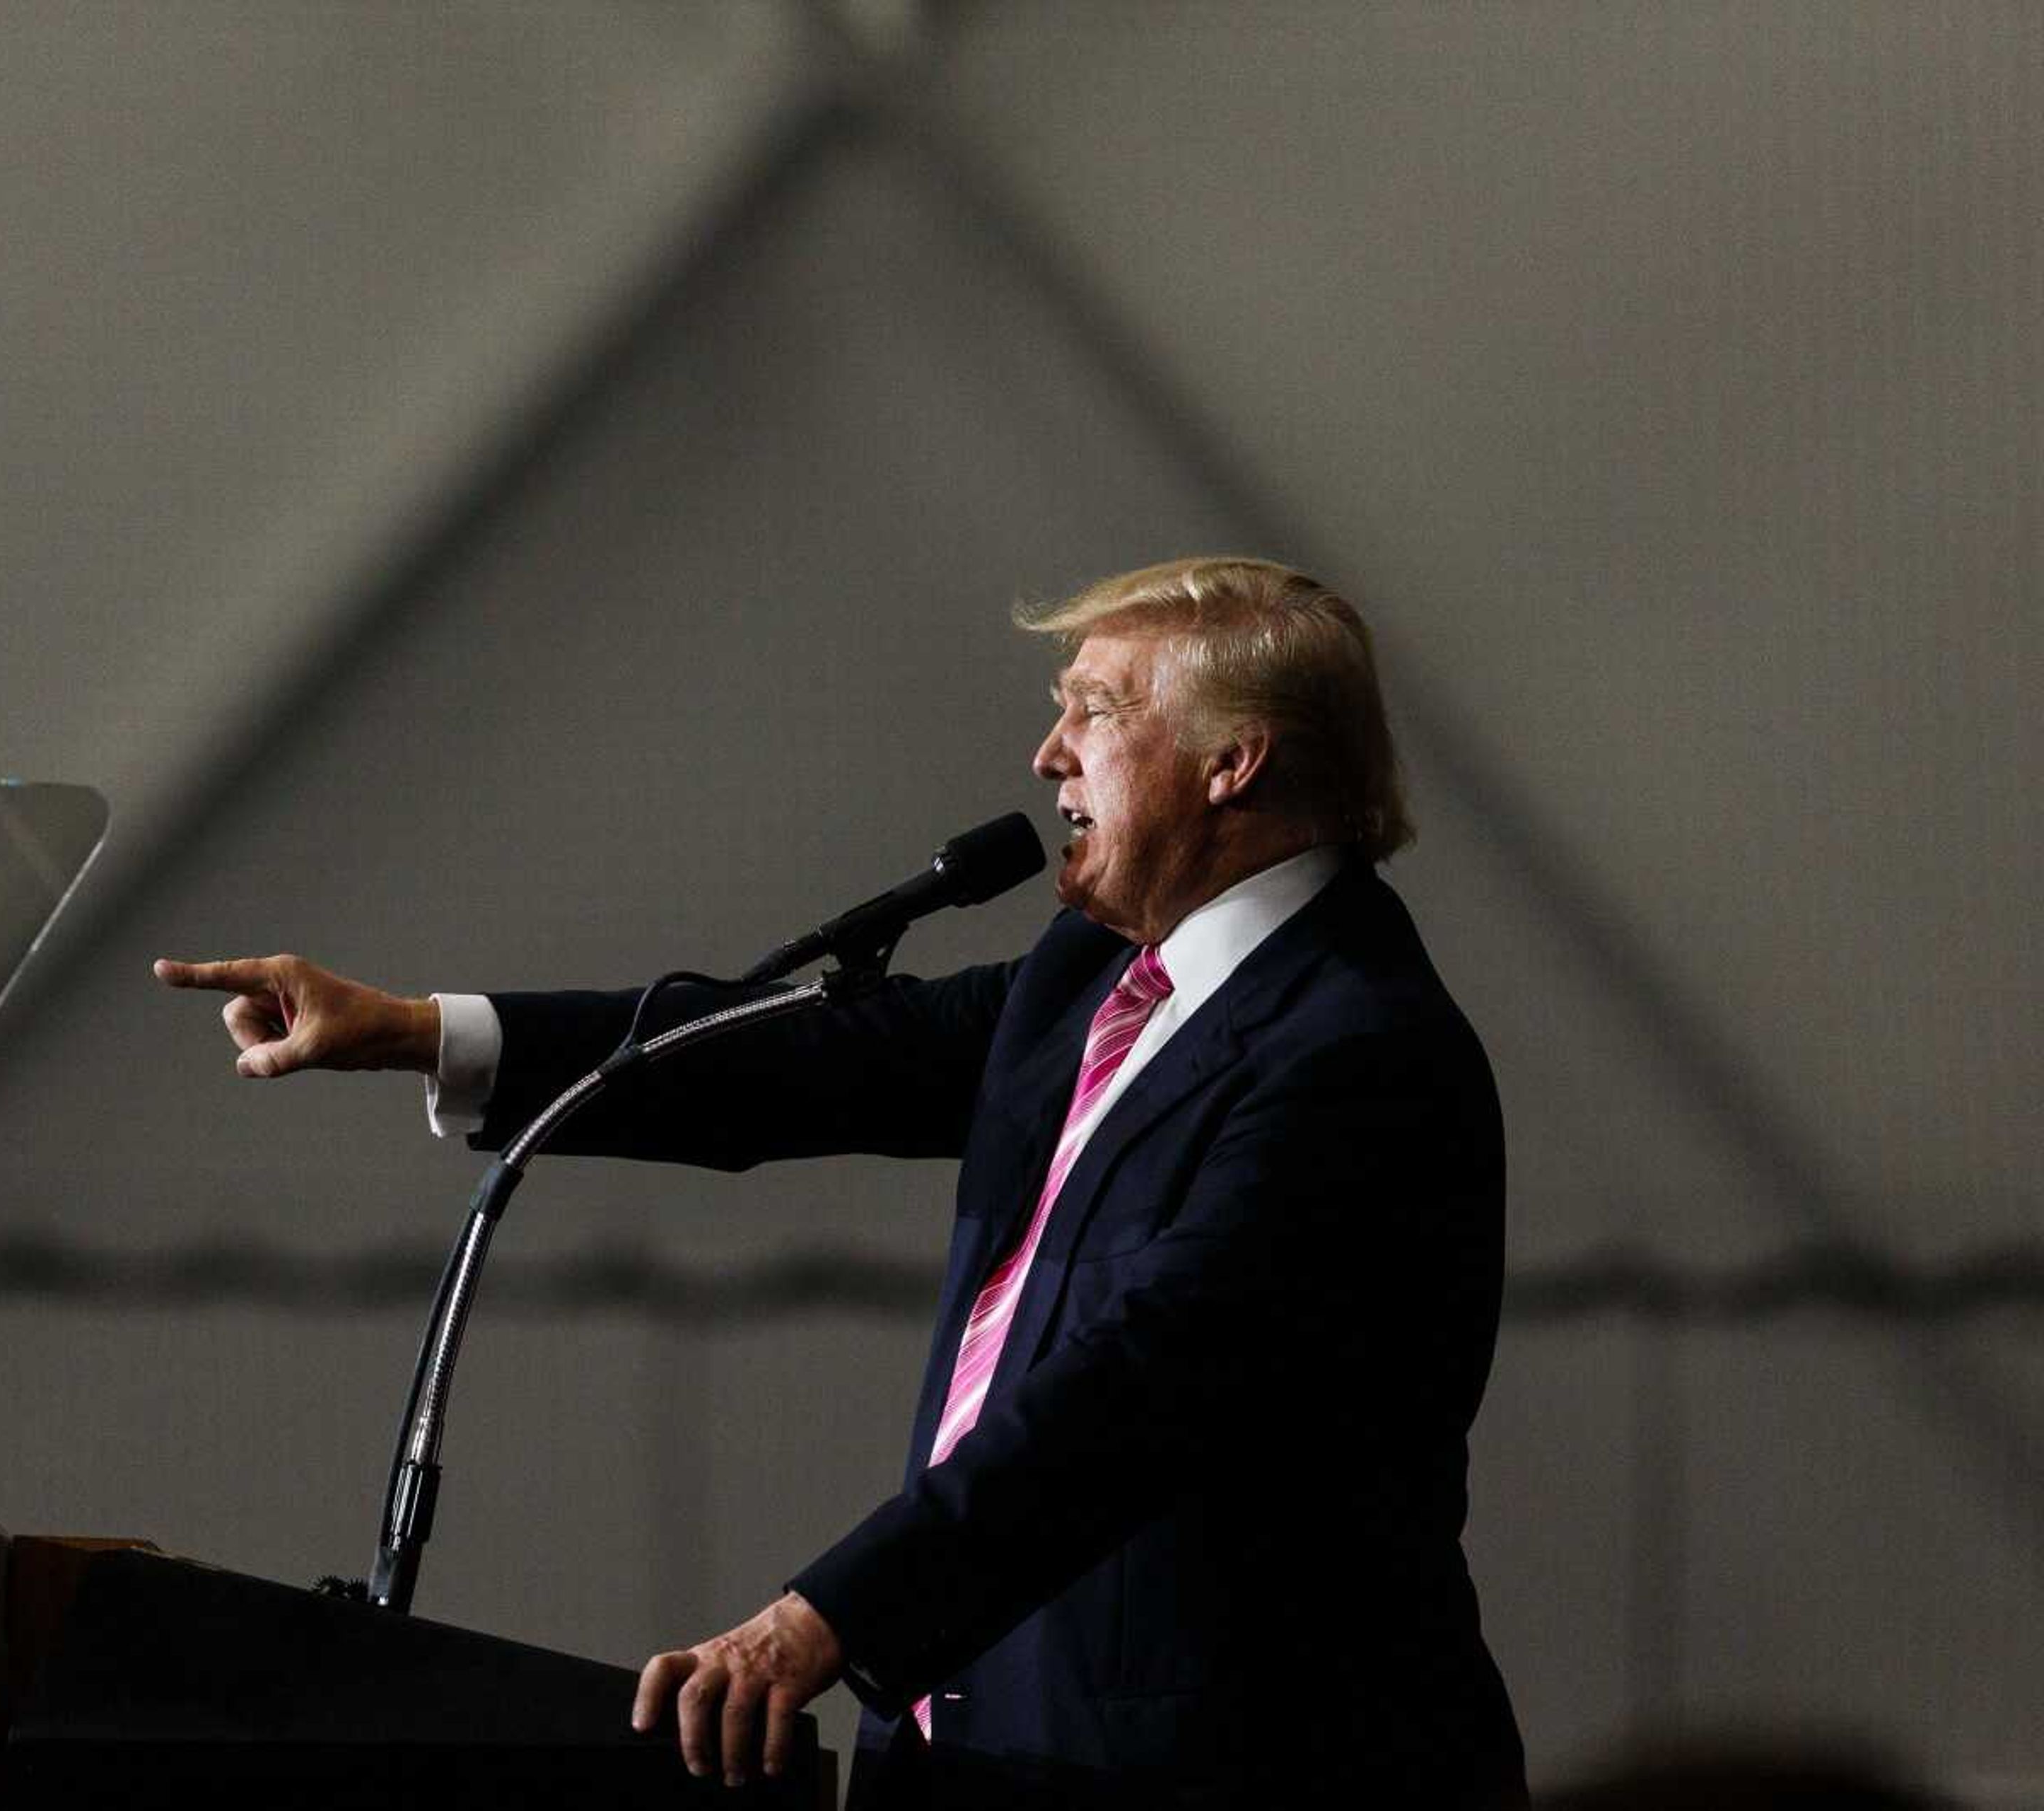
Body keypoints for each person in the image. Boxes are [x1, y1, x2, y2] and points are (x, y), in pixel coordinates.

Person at [156, 557, 1526, 1807]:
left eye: (1095, 712)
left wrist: (820, 1623)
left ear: (1236, 761)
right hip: (975, 1753)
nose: (1049, 754)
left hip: (1229, 1767)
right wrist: (417, 1031)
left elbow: (1140, 1387)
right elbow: (817, 1059)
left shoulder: (1356, 1049)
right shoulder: (1092, 978)